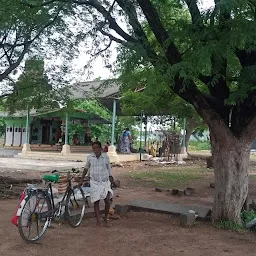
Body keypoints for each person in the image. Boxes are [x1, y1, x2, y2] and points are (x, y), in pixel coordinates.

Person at [79, 141, 114, 227]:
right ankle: (98, 221)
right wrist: (82, 179)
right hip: (94, 182)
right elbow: (86, 169)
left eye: (97, 148)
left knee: (107, 201)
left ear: (100, 148)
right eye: (94, 148)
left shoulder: (105, 157)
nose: (95, 150)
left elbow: (109, 169)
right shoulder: (90, 158)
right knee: (96, 201)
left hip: (105, 181)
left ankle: (105, 218)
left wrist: (111, 178)